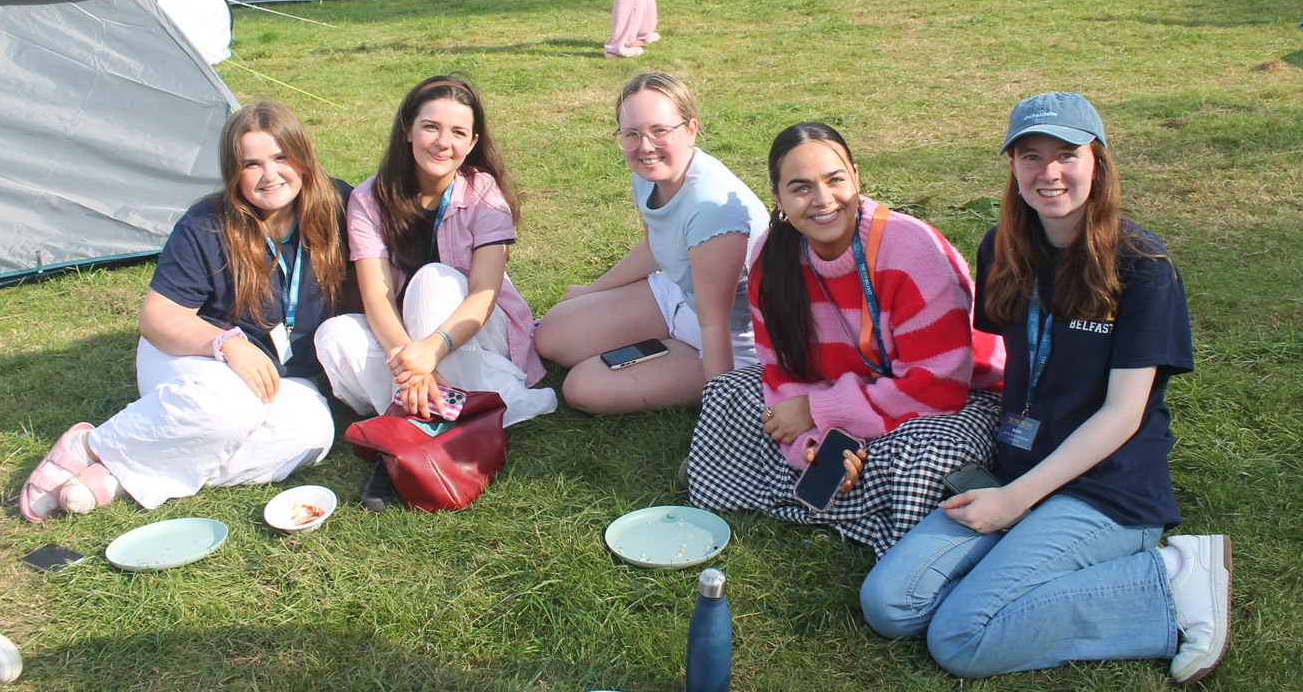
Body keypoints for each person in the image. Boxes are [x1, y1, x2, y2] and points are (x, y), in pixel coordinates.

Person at [860, 92, 1231, 686]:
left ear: (1097, 162)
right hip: (1017, 467)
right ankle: (1038, 577)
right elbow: (1011, 361)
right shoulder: (1001, 248)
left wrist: (1016, 501)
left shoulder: (1144, 266)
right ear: (1012, 166)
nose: (1048, 172)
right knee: (889, 605)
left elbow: (1122, 414)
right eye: (1030, 156)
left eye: (1067, 154)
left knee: (961, 639)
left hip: (1107, 489)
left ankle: (1171, 579)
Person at [18, 101, 350, 522]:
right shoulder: (207, 223)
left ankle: (123, 474)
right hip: (196, 355)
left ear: (303, 156)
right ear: (234, 172)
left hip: (280, 374)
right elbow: (157, 318)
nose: (270, 175)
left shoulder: (336, 205)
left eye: (281, 157)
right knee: (233, 408)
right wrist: (226, 343)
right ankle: (90, 446)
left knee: (311, 436)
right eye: (252, 164)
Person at [686, 123, 1005, 553]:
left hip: (951, 401)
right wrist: (815, 446)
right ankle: (858, 503)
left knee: (929, 459)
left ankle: (770, 486)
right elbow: (781, 375)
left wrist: (820, 412)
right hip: (846, 396)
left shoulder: (913, 251)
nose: (822, 200)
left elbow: (938, 389)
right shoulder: (772, 260)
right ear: (777, 198)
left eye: (835, 179)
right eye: (801, 188)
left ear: (856, 177)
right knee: (728, 395)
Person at [314, 75, 556, 511]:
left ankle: (403, 432)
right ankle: (443, 416)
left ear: (473, 142)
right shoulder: (368, 198)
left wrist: (433, 348)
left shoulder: (482, 192)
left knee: (432, 279)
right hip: (407, 341)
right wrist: (413, 361)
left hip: (477, 330)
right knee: (333, 335)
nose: (444, 142)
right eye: (431, 127)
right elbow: (377, 297)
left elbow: (483, 293)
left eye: (458, 132)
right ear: (408, 129)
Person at [534, 72, 768, 415]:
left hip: (732, 340)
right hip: (678, 295)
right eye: (632, 134)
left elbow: (714, 322)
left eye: (659, 131)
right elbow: (652, 247)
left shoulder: (711, 207)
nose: (645, 147)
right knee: (550, 335)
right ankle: (661, 345)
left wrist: (721, 413)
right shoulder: (646, 176)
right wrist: (592, 290)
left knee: (582, 387)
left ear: (690, 129)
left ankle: (683, 359)